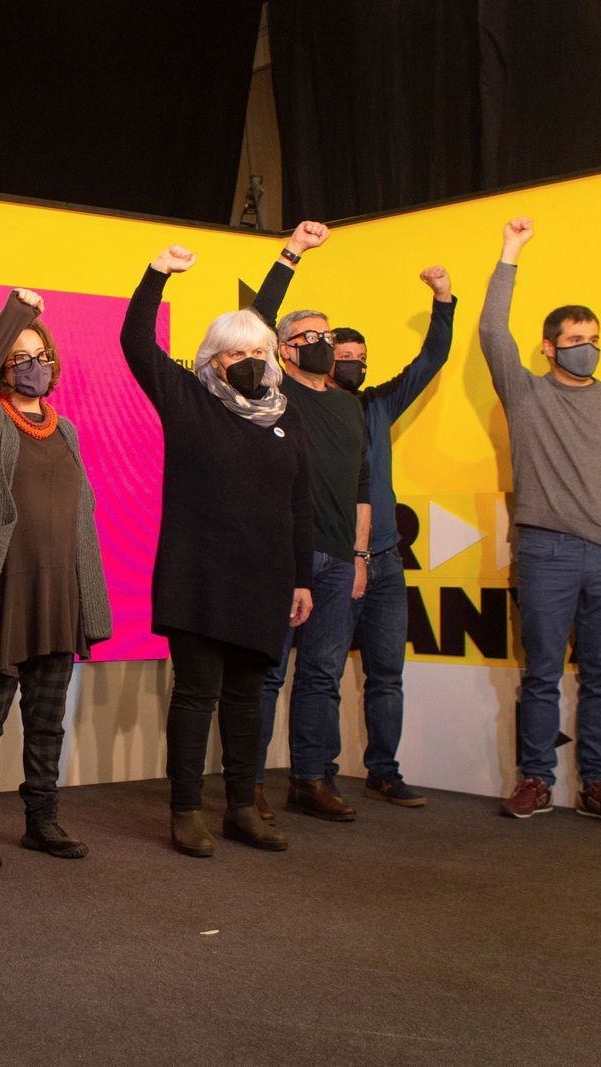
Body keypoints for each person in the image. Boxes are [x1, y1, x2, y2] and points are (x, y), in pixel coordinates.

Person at [121, 241, 311, 856]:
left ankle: (239, 808)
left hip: (266, 578)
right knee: (198, 694)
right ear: (212, 360)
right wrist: (158, 275)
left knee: (248, 697)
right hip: (199, 575)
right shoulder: (188, 400)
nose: (250, 360)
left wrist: (302, 579)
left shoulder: (286, 414)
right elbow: (134, 342)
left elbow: (299, 503)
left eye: (258, 351)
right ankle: (184, 811)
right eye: (237, 352)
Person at [481, 218, 601, 826]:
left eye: (594, 337)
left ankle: (598, 785)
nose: (588, 345)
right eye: (576, 337)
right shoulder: (526, 395)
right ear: (550, 346)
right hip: (546, 551)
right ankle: (536, 779)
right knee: (543, 675)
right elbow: (491, 329)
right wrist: (511, 253)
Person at [0, 287, 112, 869]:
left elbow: (80, 520)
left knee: (47, 724)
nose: (31, 366)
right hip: (1, 595)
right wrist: (19, 313)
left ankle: (43, 820)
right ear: (0, 368)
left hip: (58, 598)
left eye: (39, 355)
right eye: (17, 357)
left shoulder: (67, 432)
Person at [249, 224, 373, 822]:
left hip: (336, 560)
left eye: (328, 333)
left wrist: (358, 557)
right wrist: (292, 253)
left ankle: (309, 779)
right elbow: (254, 319)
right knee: (267, 675)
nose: (324, 342)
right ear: (285, 349)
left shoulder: (350, 407)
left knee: (321, 675)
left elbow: (361, 489)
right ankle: (247, 784)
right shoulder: (273, 395)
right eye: (310, 336)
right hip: (283, 559)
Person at [324, 266, 456, 808]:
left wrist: (443, 300)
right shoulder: (307, 410)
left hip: (385, 561)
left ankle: (384, 770)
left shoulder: (379, 406)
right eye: (345, 357)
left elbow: (431, 361)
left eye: (361, 358)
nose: (355, 365)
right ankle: (319, 773)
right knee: (323, 674)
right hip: (333, 562)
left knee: (387, 676)